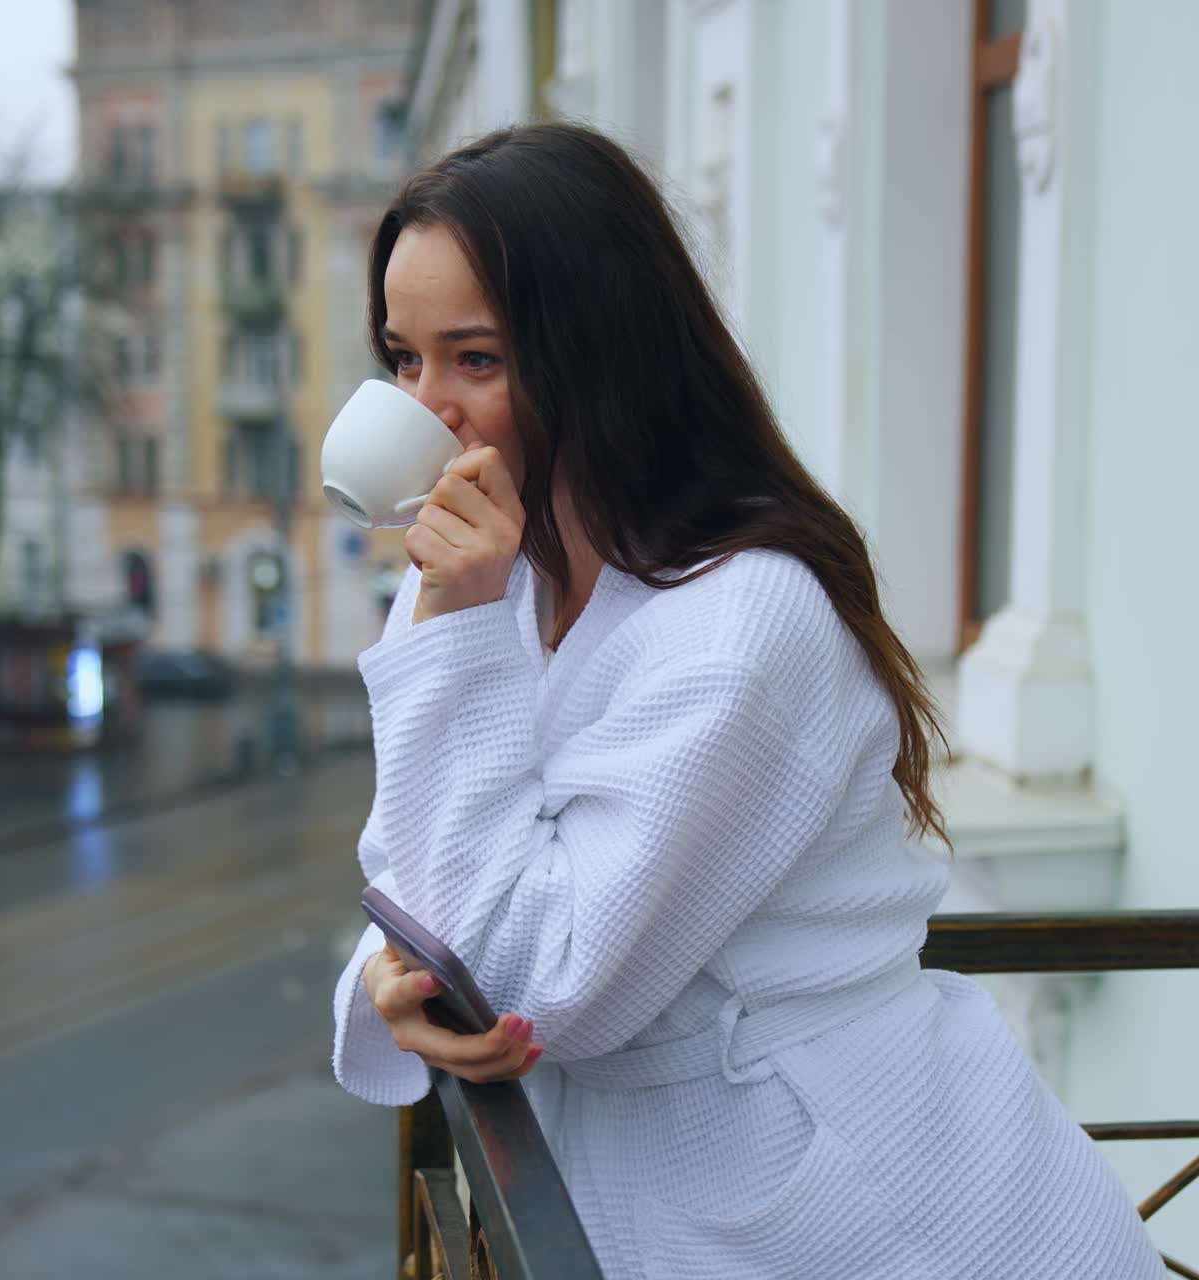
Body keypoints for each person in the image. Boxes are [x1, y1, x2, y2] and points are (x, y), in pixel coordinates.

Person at [332, 123, 1163, 1280]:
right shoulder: (488, 582)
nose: (431, 411)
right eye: (403, 359)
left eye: (476, 359)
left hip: (868, 1203)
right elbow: (422, 885)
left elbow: (527, 981)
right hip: (653, 1191)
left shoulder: (741, 623)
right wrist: (387, 978)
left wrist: (456, 637)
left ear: (599, 352)